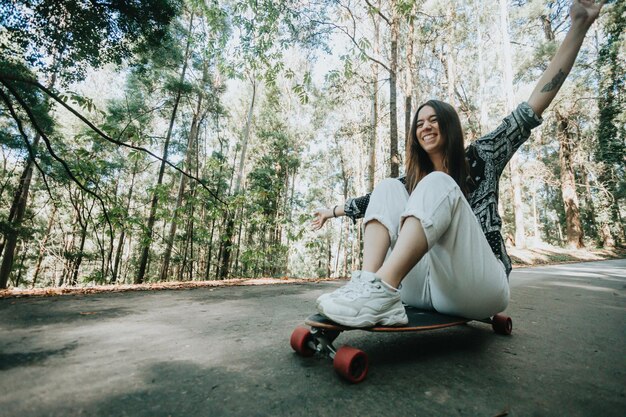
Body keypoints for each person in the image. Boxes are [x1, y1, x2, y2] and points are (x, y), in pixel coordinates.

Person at [312, 0, 607, 328]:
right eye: (419, 122)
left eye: (435, 119)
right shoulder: (412, 181)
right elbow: (369, 204)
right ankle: (370, 288)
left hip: (477, 287)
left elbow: (532, 107)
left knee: (438, 184)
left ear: (449, 125)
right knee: (388, 188)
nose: (426, 126)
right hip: (425, 290)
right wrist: (333, 211)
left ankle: (381, 287)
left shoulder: (482, 155)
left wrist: (578, 27)